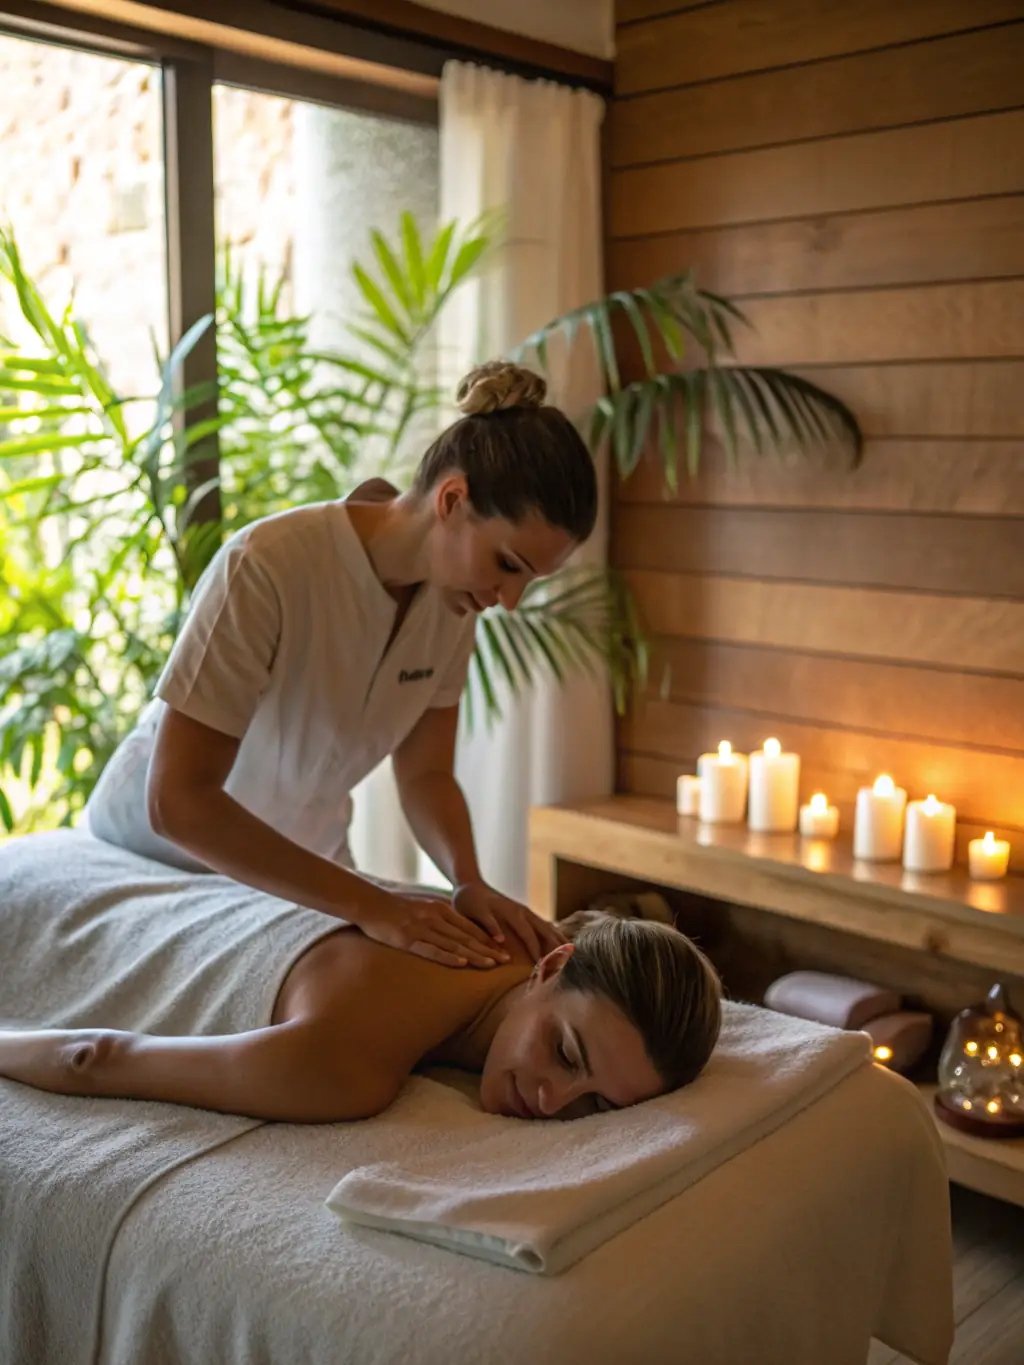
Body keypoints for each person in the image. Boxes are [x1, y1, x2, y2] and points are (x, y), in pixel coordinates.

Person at [85, 360, 599, 970]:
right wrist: (373, 905)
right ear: (452, 499)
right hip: (161, 855)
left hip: (315, 865)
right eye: (508, 565)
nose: (508, 601)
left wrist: (468, 881)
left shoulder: (453, 601)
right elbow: (177, 801)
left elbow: (426, 776)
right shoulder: (268, 565)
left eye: (528, 581)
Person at [0, 890, 722, 1123]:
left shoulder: (505, 929)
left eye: (594, 1104)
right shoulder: (348, 1066)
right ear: (553, 965)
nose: (551, 1098)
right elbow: (93, 1055)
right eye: (566, 1054)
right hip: (60, 922)